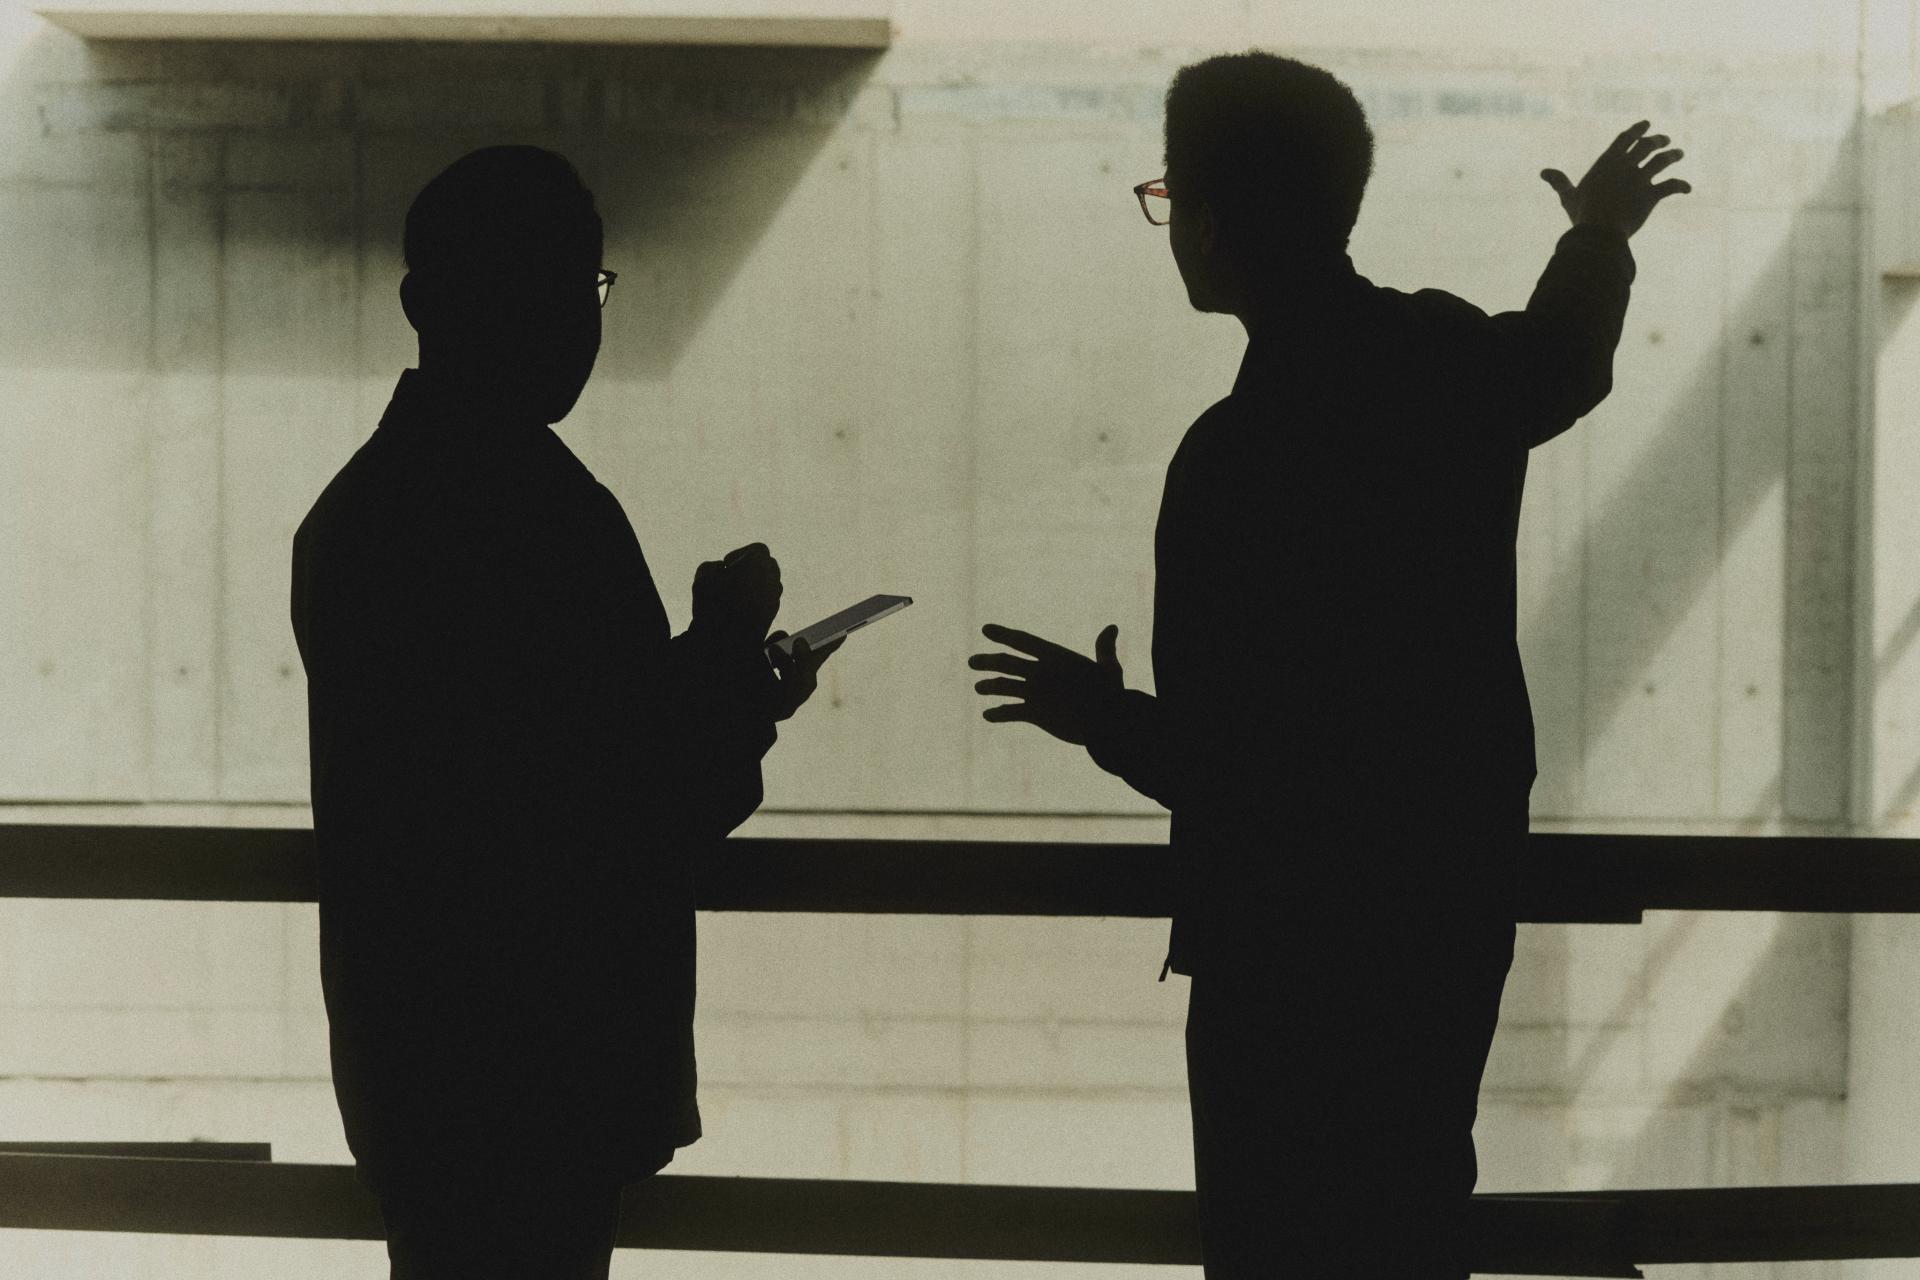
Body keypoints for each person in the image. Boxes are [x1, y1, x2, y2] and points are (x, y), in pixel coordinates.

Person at [969, 52, 1687, 1278]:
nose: (1173, 232)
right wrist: (1602, 235)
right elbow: (1565, 357)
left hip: (1279, 952)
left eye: (1170, 203)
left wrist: (1099, 716)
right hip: (1441, 907)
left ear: (1215, 222)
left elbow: (1229, 763)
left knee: (1275, 1233)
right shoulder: (1450, 364)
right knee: (1410, 1210)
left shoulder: (1234, 458)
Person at [290, 145, 837, 1279]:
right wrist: (730, 668)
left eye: (580, 288)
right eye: (549, 287)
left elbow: (515, 766)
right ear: (433, 302)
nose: (575, 325)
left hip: (425, 1067)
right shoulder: (549, 520)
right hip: (546, 1069)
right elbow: (625, 804)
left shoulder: (362, 515)